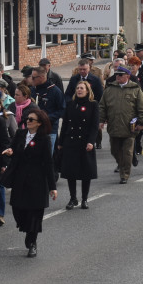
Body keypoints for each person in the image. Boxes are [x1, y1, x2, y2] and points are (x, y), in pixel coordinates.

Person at [0, 108, 57, 258]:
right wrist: (10, 152)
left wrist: (53, 187)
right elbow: (13, 149)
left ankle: (32, 242)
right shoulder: (20, 134)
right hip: (20, 178)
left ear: (39, 123)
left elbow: (48, 163)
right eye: (27, 119)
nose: (28, 121)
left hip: (37, 181)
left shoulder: (44, 139)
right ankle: (26, 229)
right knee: (18, 210)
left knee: (35, 214)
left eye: (31, 119)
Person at [98, 68, 143, 184]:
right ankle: (122, 165)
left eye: (120, 75)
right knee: (114, 150)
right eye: (116, 75)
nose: (118, 77)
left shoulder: (135, 89)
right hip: (114, 126)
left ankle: (125, 174)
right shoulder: (110, 89)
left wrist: (142, 122)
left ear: (127, 76)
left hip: (129, 128)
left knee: (127, 152)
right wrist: (101, 120)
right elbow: (102, 106)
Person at [56, 80, 99, 209]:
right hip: (71, 141)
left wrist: (91, 141)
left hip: (85, 142)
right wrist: (61, 142)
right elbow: (65, 125)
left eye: (82, 88)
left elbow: (94, 126)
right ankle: (73, 198)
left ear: (87, 91)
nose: (79, 90)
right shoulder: (70, 104)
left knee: (86, 172)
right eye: (77, 88)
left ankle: (84, 199)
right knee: (71, 172)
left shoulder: (93, 105)